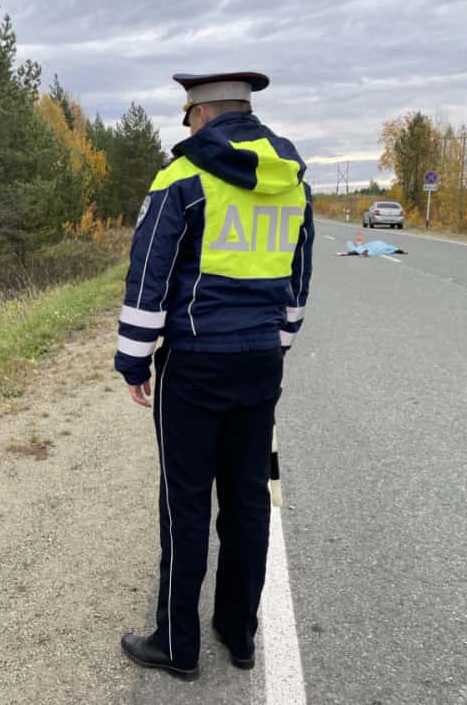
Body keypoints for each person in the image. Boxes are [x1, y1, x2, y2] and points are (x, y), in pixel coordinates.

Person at [114, 71, 314, 680]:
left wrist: (133, 357)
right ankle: (240, 632)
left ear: (200, 115)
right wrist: (275, 343)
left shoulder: (183, 177)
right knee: (248, 499)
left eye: (187, 118)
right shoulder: (292, 182)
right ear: (244, 112)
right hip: (260, 361)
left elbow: (150, 270)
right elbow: (298, 280)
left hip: (196, 363)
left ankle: (177, 647)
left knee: (185, 502)